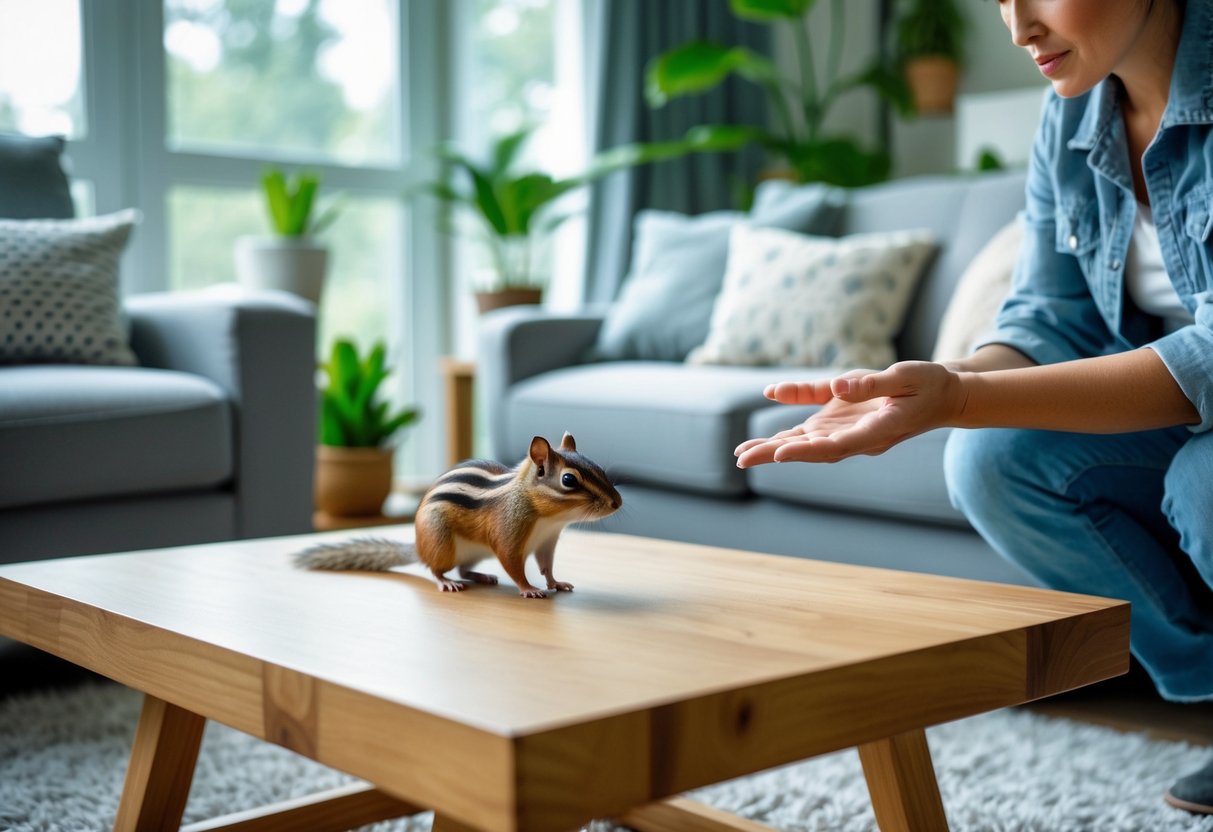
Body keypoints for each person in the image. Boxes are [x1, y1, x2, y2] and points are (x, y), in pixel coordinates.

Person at [735, 0, 1213, 814]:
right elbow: (1046, 315)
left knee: (1203, 485)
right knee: (989, 461)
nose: (1017, 26)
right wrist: (935, 391)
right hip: (1169, 400)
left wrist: (964, 395)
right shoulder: (1068, 110)